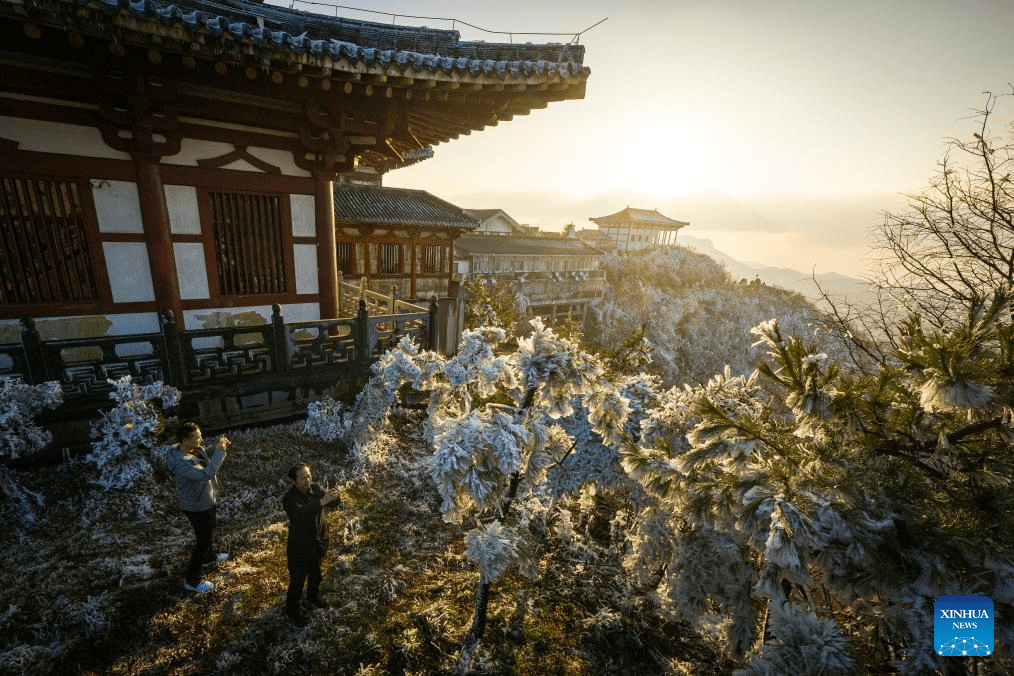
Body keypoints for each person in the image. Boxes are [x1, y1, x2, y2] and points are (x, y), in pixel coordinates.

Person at [167, 422, 231, 593]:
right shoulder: (180, 462)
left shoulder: (190, 450)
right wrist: (220, 452)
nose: (201, 439)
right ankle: (192, 580)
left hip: (206, 501)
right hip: (196, 507)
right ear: (185, 440)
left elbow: (202, 456)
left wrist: (215, 448)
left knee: (210, 531)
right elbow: (206, 474)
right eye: (197, 436)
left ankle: (210, 557)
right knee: (203, 541)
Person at [283, 463, 341, 627]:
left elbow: (331, 504)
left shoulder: (316, 489)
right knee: (297, 582)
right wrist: (322, 501)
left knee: (316, 573)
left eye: (309, 476)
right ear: (294, 481)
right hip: (300, 548)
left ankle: (313, 596)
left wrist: (335, 496)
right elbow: (300, 514)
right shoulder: (289, 499)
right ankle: (292, 612)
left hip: (319, 541)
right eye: (303, 478)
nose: (308, 480)